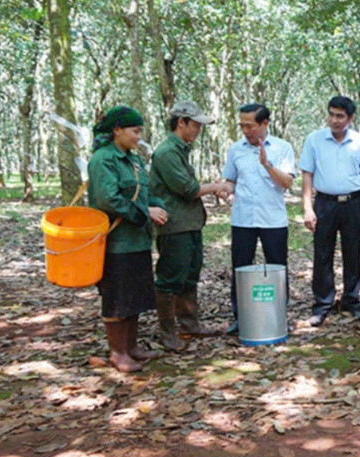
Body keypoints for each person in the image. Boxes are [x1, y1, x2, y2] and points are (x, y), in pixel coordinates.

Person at [88, 106, 167, 372]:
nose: (138, 136)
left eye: (140, 131)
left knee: (135, 297)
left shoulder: (133, 160)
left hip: (138, 240)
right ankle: (117, 352)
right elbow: (107, 199)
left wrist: (158, 206)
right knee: (117, 297)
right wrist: (146, 212)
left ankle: (132, 347)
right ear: (117, 130)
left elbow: (144, 194)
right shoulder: (103, 159)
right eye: (134, 131)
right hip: (116, 242)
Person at [149, 101, 226, 350]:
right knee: (171, 277)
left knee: (190, 273)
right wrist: (215, 187)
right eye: (195, 125)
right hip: (175, 225)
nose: (198, 131)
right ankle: (168, 331)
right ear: (180, 123)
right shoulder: (167, 152)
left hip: (190, 223)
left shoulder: (181, 150)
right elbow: (187, 189)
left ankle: (189, 323)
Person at [300, 96, 360, 326]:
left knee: (352, 252)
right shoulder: (314, 140)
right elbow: (307, 175)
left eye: (340, 116)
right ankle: (323, 303)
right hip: (324, 203)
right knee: (322, 254)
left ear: (350, 119)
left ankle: (351, 300)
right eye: (331, 114)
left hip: (352, 204)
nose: (334, 120)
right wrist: (307, 208)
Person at [221, 103, 296, 335]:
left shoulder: (283, 148)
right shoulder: (235, 150)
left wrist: (267, 164)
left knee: (277, 267)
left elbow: (287, 182)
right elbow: (230, 180)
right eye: (241, 125)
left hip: (273, 220)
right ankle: (240, 317)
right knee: (240, 268)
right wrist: (224, 189)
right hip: (243, 219)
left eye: (250, 125)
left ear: (264, 124)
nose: (245, 130)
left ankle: (279, 316)